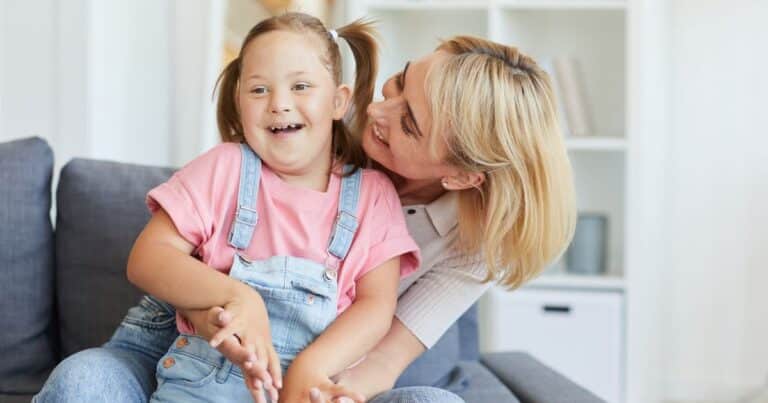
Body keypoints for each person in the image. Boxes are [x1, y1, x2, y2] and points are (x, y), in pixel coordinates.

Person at [34, 22, 575, 403]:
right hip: (190, 334)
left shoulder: (423, 225)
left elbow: (380, 344)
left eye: (409, 122)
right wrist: (224, 304)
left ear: (460, 175)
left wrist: (316, 386)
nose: (378, 111)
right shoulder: (255, 157)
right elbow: (168, 257)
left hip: (318, 366)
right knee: (85, 381)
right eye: (399, 82)